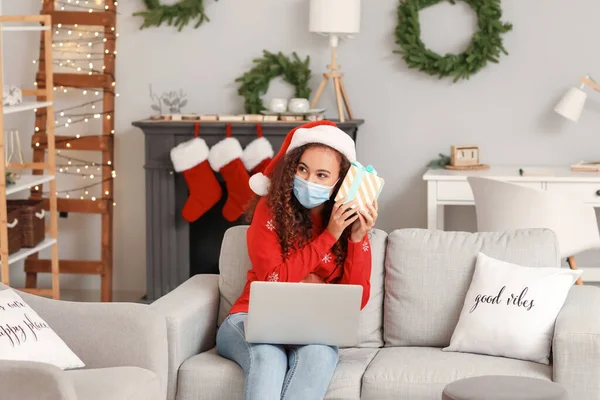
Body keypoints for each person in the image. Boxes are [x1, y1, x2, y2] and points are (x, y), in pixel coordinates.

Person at [216, 120, 378, 400]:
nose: (309, 181)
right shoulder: (270, 208)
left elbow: (357, 299)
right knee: (269, 358)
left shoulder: (347, 223)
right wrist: (329, 235)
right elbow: (272, 280)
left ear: (339, 182)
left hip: (314, 330)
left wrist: (355, 238)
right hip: (249, 318)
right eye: (302, 169)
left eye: (322, 175)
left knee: (319, 357)